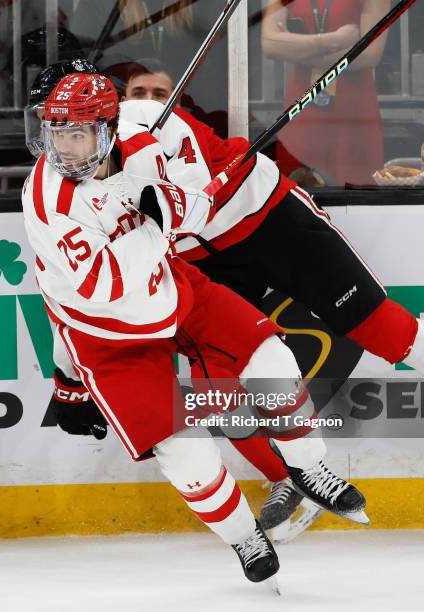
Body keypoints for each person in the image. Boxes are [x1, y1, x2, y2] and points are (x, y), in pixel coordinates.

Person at [26, 58, 424, 538]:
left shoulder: (154, 130)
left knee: (376, 324)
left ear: (104, 119)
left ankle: (299, 467)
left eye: (73, 129)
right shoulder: (62, 181)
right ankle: (288, 479)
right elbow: (71, 290)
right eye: (54, 130)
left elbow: (195, 207)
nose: (61, 148)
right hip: (196, 257)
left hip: (266, 216)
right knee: (216, 391)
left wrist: (170, 206)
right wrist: (70, 380)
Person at [262, 0, 390, 186]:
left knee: (359, 196)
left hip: (353, 115)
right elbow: (270, 46)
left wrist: (298, 48)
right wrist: (335, 40)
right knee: (295, 195)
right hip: (302, 109)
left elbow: (369, 54)